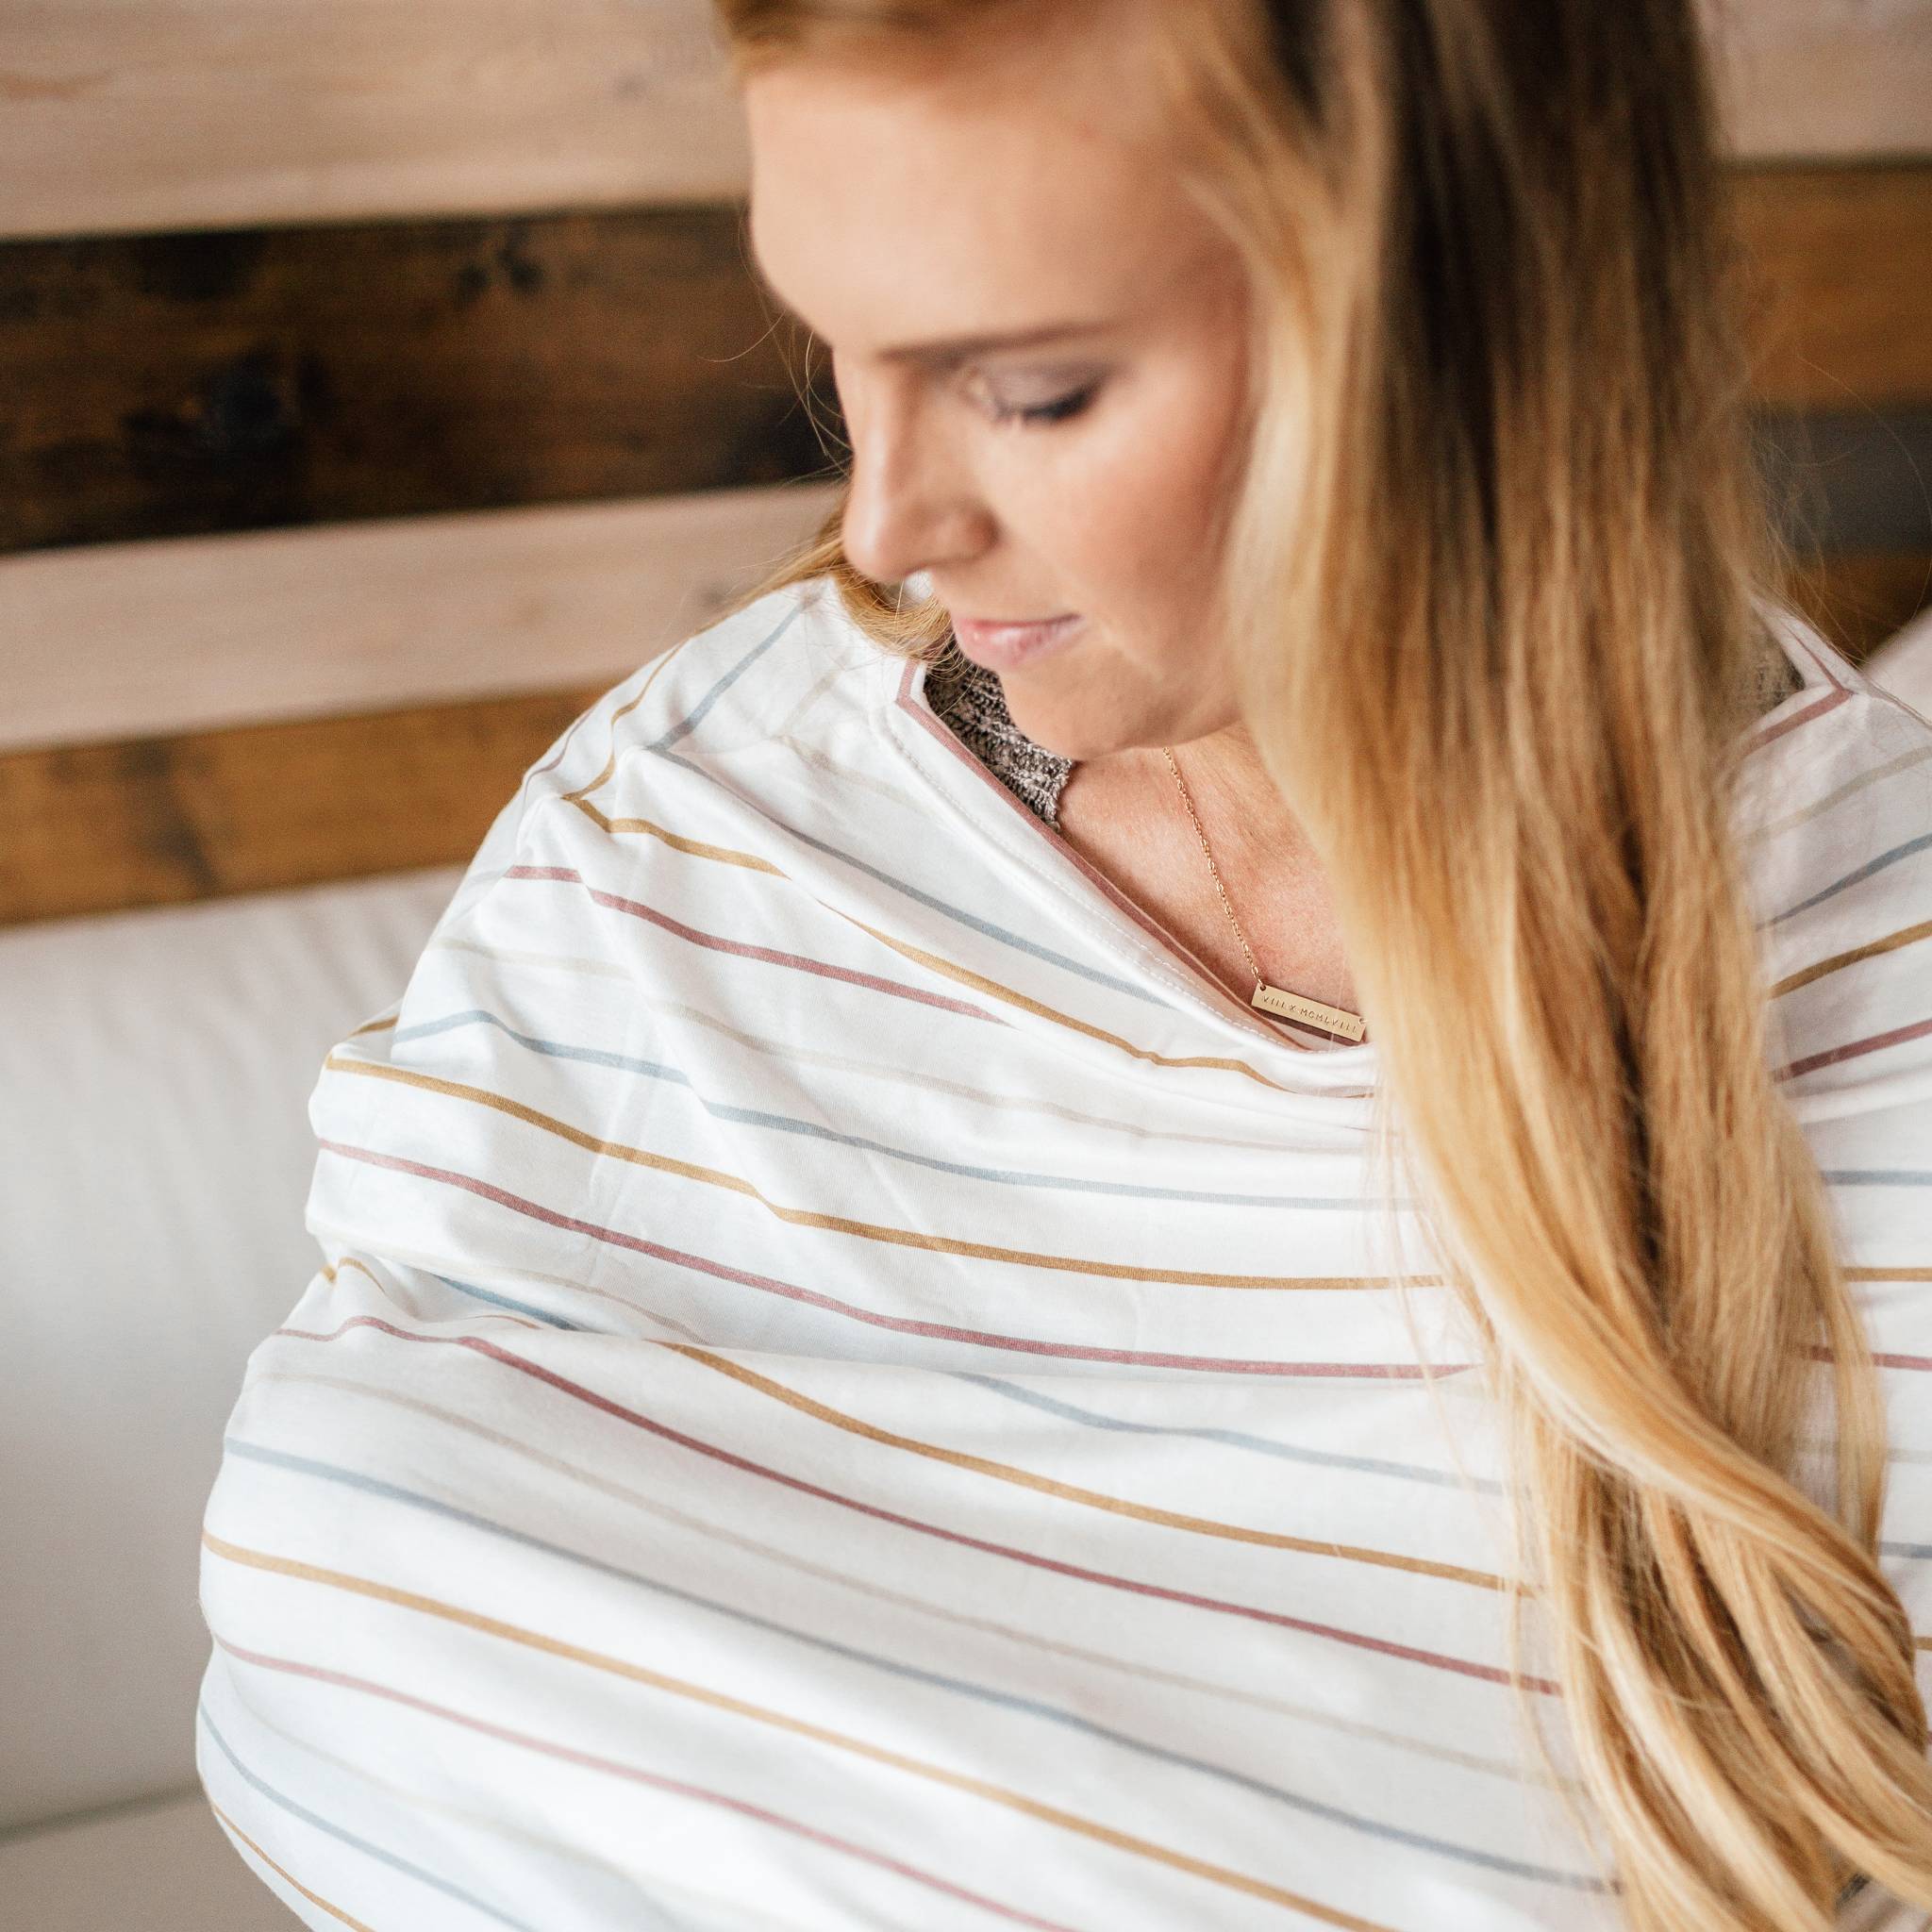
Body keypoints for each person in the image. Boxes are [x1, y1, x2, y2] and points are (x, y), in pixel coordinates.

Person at [194, 2, 1932, 1926]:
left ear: (1461, 333)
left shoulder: (1877, 977)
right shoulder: (690, 813)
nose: (886, 523)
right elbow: (341, 1579)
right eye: (838, 345)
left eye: (1028, 390)